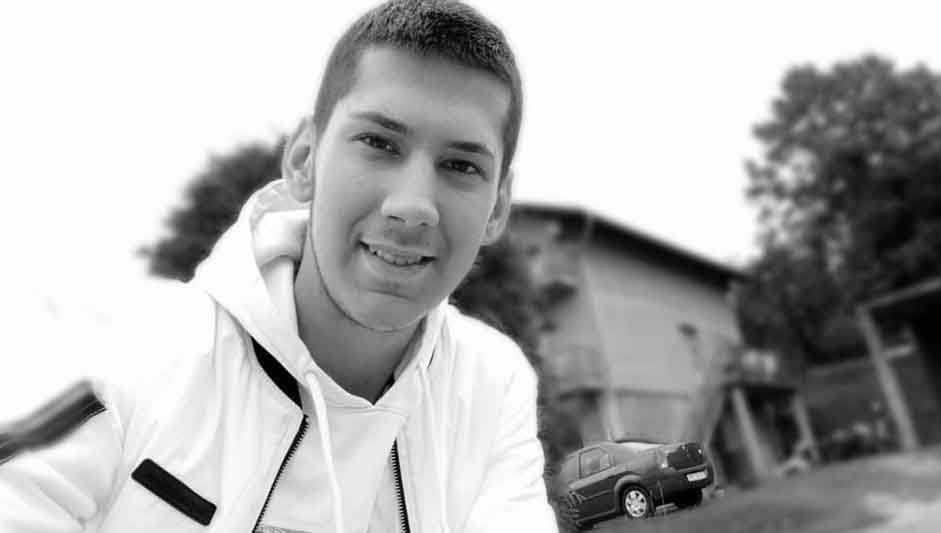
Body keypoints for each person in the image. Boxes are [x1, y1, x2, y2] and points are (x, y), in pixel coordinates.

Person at [0, 1, 557, 531]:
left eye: (460, 166)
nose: (412, 205)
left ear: (497, 208)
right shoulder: (129, 345)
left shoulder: (490, 387)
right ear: (304, 160)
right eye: (379, 142)